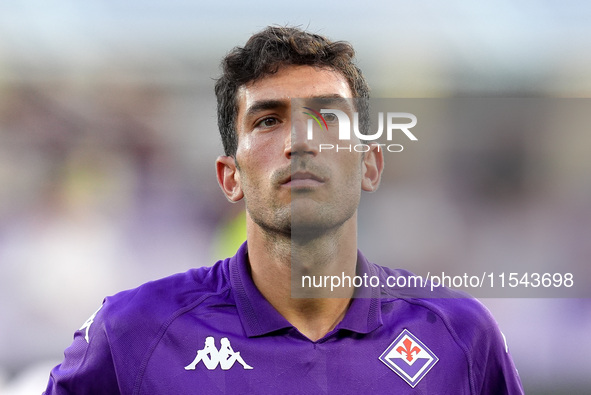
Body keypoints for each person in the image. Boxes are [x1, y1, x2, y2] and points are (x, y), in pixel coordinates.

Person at [44, 26, 524, 394]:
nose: (300, 141)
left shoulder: (459, 336)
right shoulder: (134, 333)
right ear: (229, 177)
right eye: (269, 120)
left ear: (369, 166)